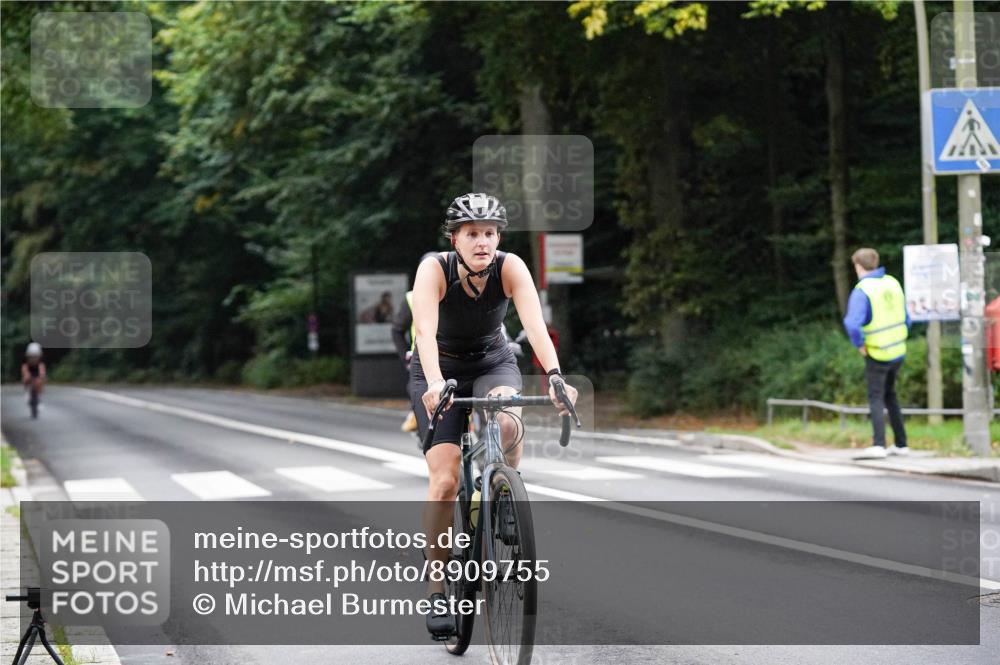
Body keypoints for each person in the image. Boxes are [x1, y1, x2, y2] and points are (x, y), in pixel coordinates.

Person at [410, 192, 578, 638]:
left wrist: (556, 375)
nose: (482, 241)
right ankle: (436, 589)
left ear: (498, 236)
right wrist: (432, 383)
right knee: (445, 480)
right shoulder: (435, 269)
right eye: (472, 234)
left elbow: (535, 326)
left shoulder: (510, 266)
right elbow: (424, 330)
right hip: (437, 366)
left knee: (507, 417)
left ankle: (505, 490)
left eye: (489, 233)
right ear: (455, 238)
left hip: (491, 360)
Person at [842, 248, 910, 459]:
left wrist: (860, 344)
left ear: (858, 266)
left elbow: (852, 323)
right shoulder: (892, 283)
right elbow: (907, 318)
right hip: (898, 350)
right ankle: (901, 443)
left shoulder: (864, 289)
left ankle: (879, 444)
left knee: (876, 397)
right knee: (891, 395)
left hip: (877, 351)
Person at [21, 342, 46, 418]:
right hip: (29, 378)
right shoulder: (26, 364)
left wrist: (41, 377)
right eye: (31, 356)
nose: (33, 359)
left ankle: (39, 397)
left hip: (37, 378)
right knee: (26, 378)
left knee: (40, 382)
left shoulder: (40, 364)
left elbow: (42, 372)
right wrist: (26, 376)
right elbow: (24, 370)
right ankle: (27, 392)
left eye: (35, 356)